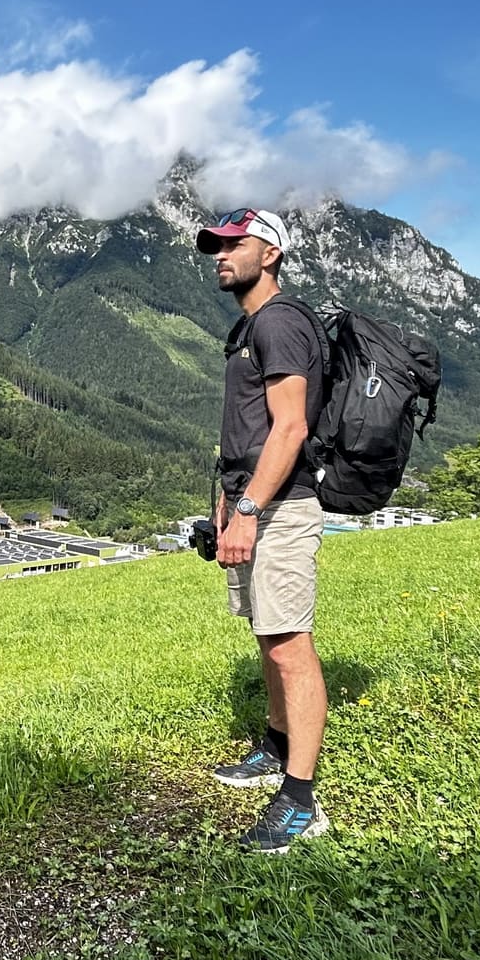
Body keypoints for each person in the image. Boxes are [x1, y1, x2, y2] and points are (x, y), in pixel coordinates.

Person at [198, 207, 330, 854]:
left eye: (233, 244)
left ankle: (301, 801)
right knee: (266, 635)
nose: (220, 254)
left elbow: (290, 427)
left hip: (279, 507)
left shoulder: (279, 322)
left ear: (270, 254)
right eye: (216, 246)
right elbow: (247, 429)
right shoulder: (249, 326)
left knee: (289, 645)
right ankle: (275, 748)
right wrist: (228, 503)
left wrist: (250, 509)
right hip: (251, 501)